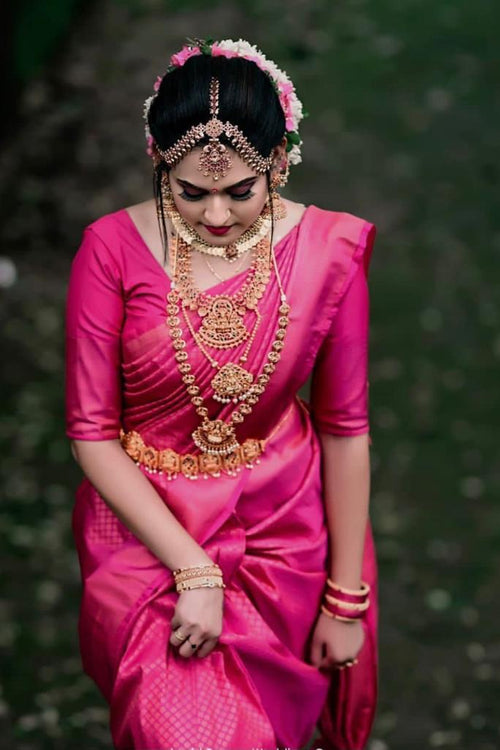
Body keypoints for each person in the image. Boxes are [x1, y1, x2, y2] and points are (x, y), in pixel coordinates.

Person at [65, 38, 378, 750]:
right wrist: (194, 570)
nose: (213, 215)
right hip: (145, 524)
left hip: (285, 527)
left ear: (278, 163)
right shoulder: (111, 249)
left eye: (240, 191)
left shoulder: (329, 253)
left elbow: (345, 427)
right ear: (158, 163)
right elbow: (90, 432)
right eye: (189, 191)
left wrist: (347, 596)